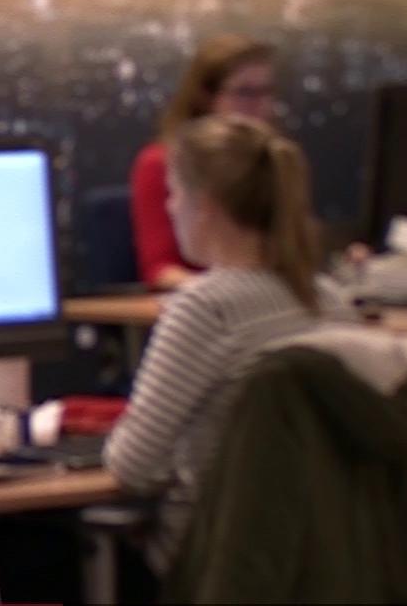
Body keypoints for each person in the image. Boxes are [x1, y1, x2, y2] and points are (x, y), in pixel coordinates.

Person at [104, 112, 357, 578]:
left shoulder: (205, 309)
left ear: (204, 206)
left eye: (174, 194)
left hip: (217, 568)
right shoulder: (333, 302)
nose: (170, 208)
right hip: (324, 568)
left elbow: (131, 465)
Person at [130, 34, 277, 290]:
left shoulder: (275, 159)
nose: (260, 106)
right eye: (246, 93)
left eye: (266, 92)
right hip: (207, 301)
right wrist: (229, 294)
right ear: (206, 98)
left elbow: (288, 251)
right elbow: (161, 271)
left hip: (266, 296)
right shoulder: (161, 163)